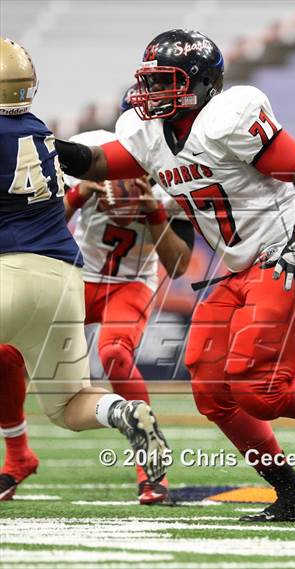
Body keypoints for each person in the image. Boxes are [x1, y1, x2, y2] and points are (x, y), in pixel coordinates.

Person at [56, 29, 295, 522]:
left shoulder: (229, 118)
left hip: (286, 251)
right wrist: (42, 143)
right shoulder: (147, 133)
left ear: (203, 84)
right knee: (211, 390)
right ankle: (292, 495)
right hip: (241, 264)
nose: (151, 94)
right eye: (150, 83)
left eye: (166, 83)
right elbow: (96, 161)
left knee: (257, 389)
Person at [0, 37, 169, 501]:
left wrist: (151, 208)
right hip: (65, 278)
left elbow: (177, 258)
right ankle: (122, 414)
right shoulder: (39, 129)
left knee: (105, 357)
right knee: (69, 403)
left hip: (19, 276)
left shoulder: (162, 163)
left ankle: (147, 467)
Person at [63, 119, 193, 503]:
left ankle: (150, 463)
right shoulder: (89, 149)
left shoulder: (179, 170)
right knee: (10, 351)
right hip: (80, 275)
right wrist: (78, 194)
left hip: (132, 281)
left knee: (115, 354)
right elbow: (40, 225)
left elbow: (180, 266)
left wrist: (153, 211)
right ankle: (17, 456)